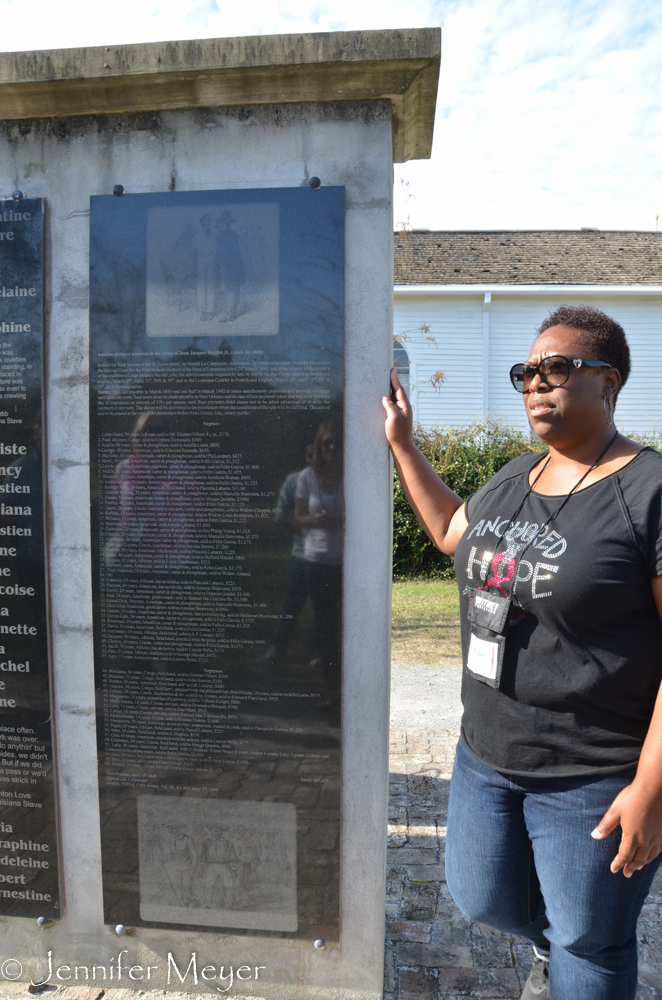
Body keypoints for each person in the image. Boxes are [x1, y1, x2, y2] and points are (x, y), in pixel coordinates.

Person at [383, 305, 662, 1000]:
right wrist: (403, 446)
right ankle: (556, 948)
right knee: (482, 899)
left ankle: (573, 958)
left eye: (559, 367)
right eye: (527, 372)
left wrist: (652, 791)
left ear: (610, 381)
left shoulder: (649, 492)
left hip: (594, 774)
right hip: (486, 754)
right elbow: (452, 529)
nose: (538, 383)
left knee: (592, 942)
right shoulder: (516, 475)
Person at [295, 420, 343, 706]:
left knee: (347, 626)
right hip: (317, 563)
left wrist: (335, 520)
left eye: (336, 443)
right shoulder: (306, 477)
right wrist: (313, 520)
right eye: (327, 443)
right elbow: (296, 518)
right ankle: (331, 687)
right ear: (319, 445)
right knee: (326, 625)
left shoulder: (349, 474)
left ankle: (349, 687)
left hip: (344, 563)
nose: (332, 448)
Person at [257, 442, 314, 665]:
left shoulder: (334, 479)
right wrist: (305, 523)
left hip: (327, 555)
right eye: (310, 453)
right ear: (305, 455)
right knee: (292, 605)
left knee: (326, 609)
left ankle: (317, 654)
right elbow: (280, 515)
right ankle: (277, 649)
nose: (313, 458)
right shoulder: (293, 481)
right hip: (301, 554)